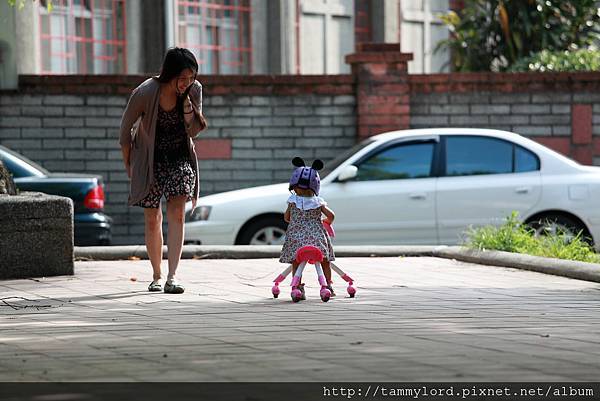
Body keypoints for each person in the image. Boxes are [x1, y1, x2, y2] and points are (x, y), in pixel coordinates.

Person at [119, 47, 207, 294]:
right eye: (182, 78)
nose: (187, 83)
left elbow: (194, 131)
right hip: (148, 160)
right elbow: (125, 133)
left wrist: (189, 107)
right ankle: (156, 275)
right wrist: (129, 166)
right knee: (152, 217)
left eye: (191, 77)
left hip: (179, 158)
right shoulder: (146, 92)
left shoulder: (194, 90)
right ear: (169, 74)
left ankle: (173, 276)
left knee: (177, 212)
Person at [279, 157, 336, 299]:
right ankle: (328, 285)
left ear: (294, 185)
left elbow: (287, 218)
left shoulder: (292, 201)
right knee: (324, 260)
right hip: (317, 239)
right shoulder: (318, 202)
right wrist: (326, 221)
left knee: (296, 261)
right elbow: (332, 215)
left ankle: (296, 287)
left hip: (296, 240)